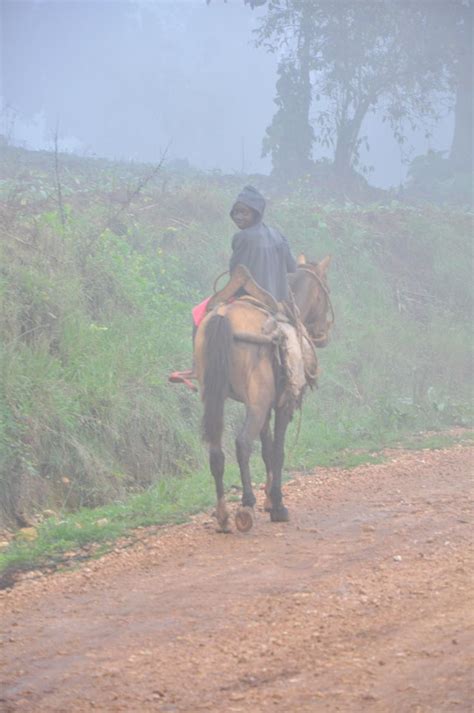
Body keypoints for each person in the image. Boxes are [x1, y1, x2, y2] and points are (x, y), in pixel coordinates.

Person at [169, 186, 297, 389]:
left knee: (198, 312)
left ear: (256, 213)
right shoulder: (280, 236)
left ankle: (196, 366)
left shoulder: (241, 237)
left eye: (244, 212)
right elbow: (292, 267)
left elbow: (236, 273)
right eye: (236, 212)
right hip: (275, 302)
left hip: (248, 295)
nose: (239, 217)